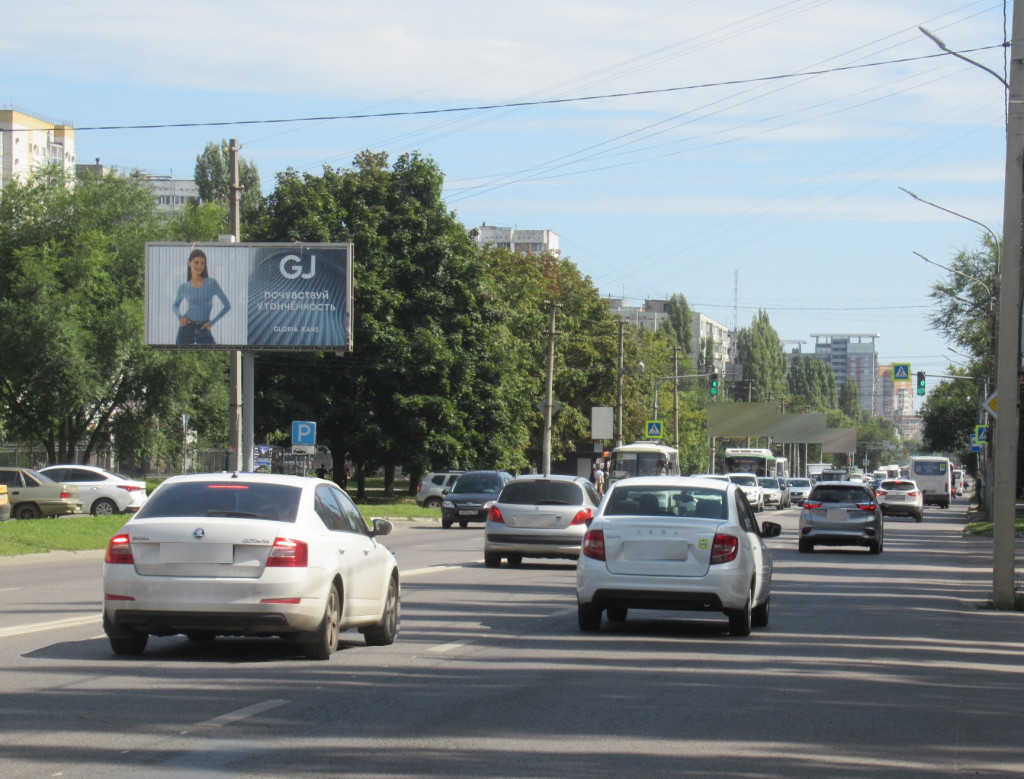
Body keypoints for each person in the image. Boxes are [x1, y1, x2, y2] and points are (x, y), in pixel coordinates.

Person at [173, 248, 231, 345]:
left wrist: (212, 323)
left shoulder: (212, 283)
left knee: (214, 351)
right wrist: (180, 317)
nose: (199, 266)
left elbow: (227, 306)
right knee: (178, 353)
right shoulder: (184, 287)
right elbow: (175, 305)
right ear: (189, 263)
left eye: (202, 263)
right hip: (186, 329)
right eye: (196, 262)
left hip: (204, 329)